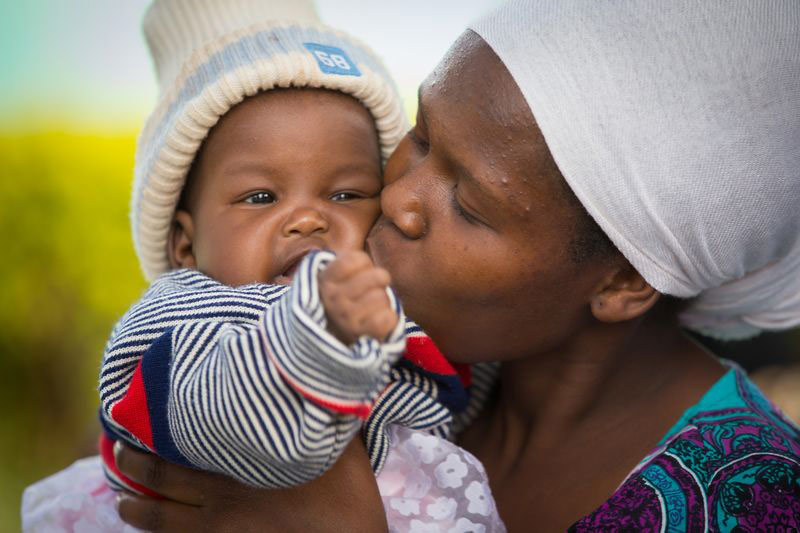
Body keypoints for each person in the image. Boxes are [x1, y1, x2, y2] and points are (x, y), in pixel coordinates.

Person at [112, 0, 800, 531]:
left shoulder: (755, 501)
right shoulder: (411, 358)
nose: (398, 197)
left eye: (468, 203)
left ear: (624, 281)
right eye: (421, 133)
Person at [21, 1, 505, 531]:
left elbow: (451, 383)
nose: (307, 219)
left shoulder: (383, 302)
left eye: (345, 193)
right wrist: (314, 338)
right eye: (259, 196)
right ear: (185, 245)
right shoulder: (182, 315)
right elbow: (220, 411)